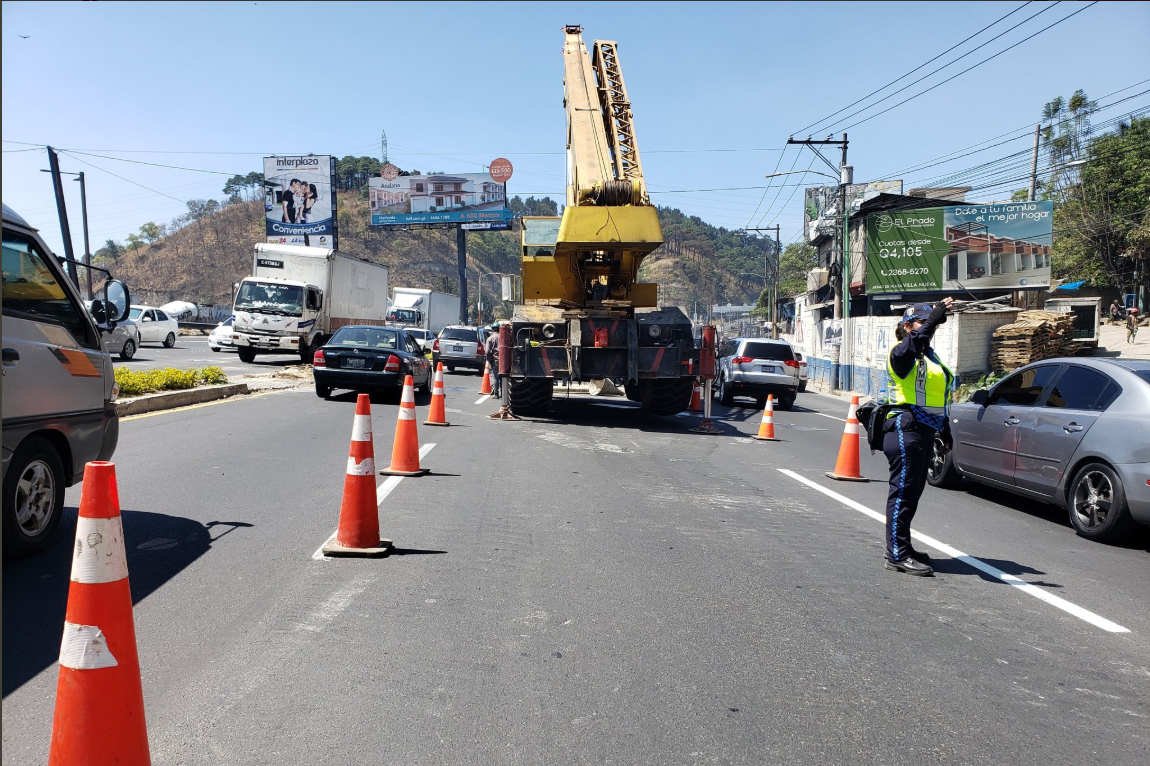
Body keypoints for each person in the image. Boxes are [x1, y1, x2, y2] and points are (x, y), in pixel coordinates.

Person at [882, 297, 955, 576]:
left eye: (929, 322)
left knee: (912, 494)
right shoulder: (901, 352)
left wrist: (944, 430)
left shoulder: (929, 357)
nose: (927, 327)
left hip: (924, 429)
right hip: (905, 426)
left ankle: (903, 546)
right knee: (902, 492)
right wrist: (933, 320)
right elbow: (915, 343)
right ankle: (896, 554)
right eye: (921, 322)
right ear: (906, 326)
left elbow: (937, 397)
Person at [484, 322, 502, 397]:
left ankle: (496, 393)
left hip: (495, 360)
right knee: (503, 377)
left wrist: (489, 359)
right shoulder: (504, 338)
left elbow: (487, 351)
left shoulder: (490, 339)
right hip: (504, 361)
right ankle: (503, 393)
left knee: (495, 377)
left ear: (493, 329)